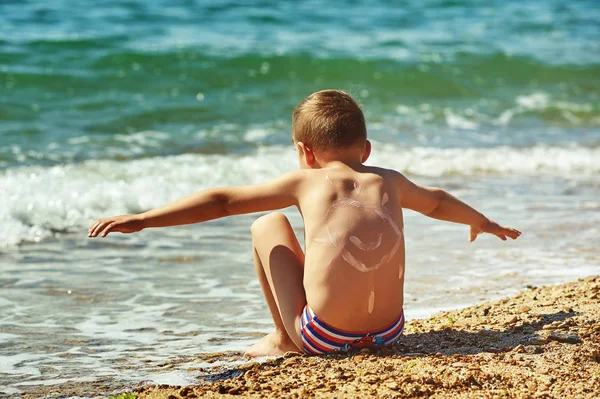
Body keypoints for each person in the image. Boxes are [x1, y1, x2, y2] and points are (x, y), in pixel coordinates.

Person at [88, 90, 521, 357]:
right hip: (390, 332)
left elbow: (221, 201)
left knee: (267, 223)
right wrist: (482, 221)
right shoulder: (391, 180)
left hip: (325, 338)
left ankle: (282, 337)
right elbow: (439, 203)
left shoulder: (306, 180)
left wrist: (143, 220)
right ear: (366, 149)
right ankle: (307, 335)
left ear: (304, 150)